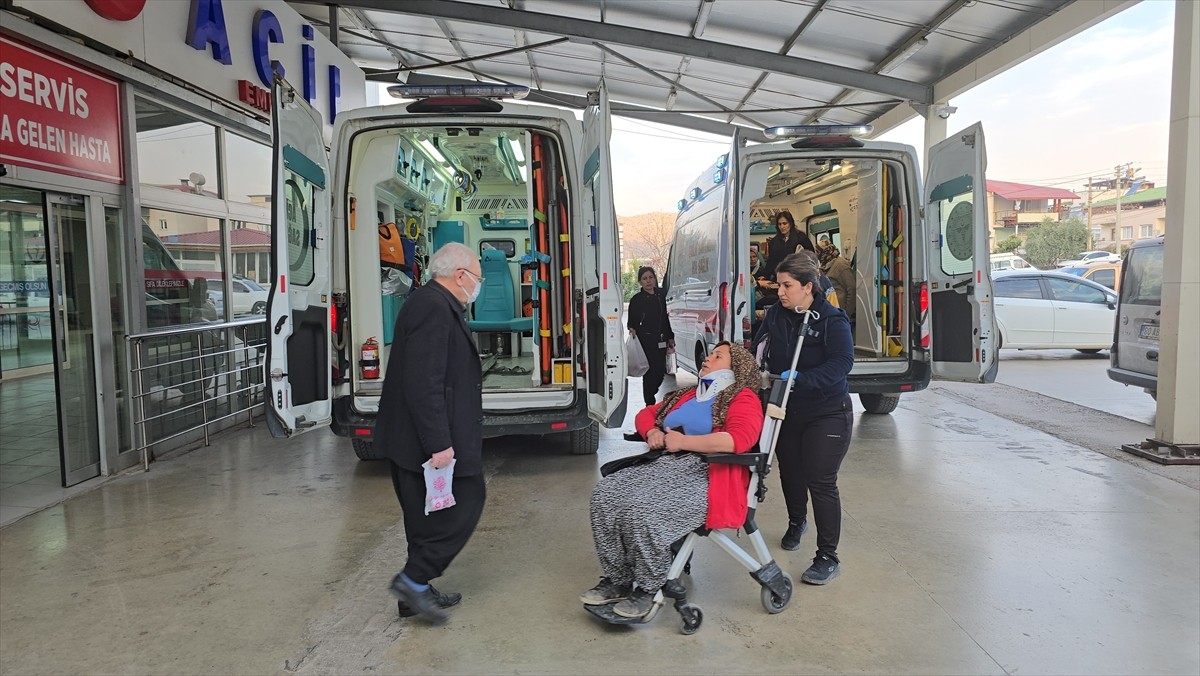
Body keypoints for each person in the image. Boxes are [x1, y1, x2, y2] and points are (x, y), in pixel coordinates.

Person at [581, 343, 765, 618]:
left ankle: (647, 587)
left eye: (718, 357)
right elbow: (647, 414)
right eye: (710, 353)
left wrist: (684, 441)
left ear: (735, 369)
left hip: (708, 474)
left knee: (641, 508)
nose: (708, 358)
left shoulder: (742, 398)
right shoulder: (689, 394)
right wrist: (652, 431)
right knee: (605, 495)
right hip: (666, 465)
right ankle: (618, 579)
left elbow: (738, 439)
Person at [375, 242, 486, 625]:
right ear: (460, 276)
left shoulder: (435, 304)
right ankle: (413, 579)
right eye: (478, 278)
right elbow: (424, 382)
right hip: (424, 439)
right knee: (468, 500)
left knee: (424, 518)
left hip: (416, 437)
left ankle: (416, 592)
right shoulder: (432, 307)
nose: (479, 285)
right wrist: (439, 443)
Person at [753, 253, 854, 585]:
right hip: (786, 410)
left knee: (820, 480)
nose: (780, 291)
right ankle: (797, 521)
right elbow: (760, 348)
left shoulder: (831, 320)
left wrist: (799, 379)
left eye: (787, 285)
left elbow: (841, 364)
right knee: (791, 473)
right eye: (779, 284)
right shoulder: (776, 316)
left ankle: (828, 556)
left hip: (827, 411)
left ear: (808, 287)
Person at [627, 266, 675, 406]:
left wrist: (670, 337)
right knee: (649, 373)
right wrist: (632, 329)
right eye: (644, 278)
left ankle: (651, 391)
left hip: (661, 339)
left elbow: (665, 318)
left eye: (651, 277)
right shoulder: (637, 300)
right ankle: (649, 403)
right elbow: (632, 321)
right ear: (640, 282)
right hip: (645, 341)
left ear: (655, 278)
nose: (648, 281)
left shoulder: (661, 295)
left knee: (660, 373)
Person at [818, 242, 855, 325]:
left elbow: (852, 289)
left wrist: (846, 314)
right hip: (832, 312)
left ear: (824, 252)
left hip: (841, 313)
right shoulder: (825, 265)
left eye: (818, 252)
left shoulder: (841, 265)